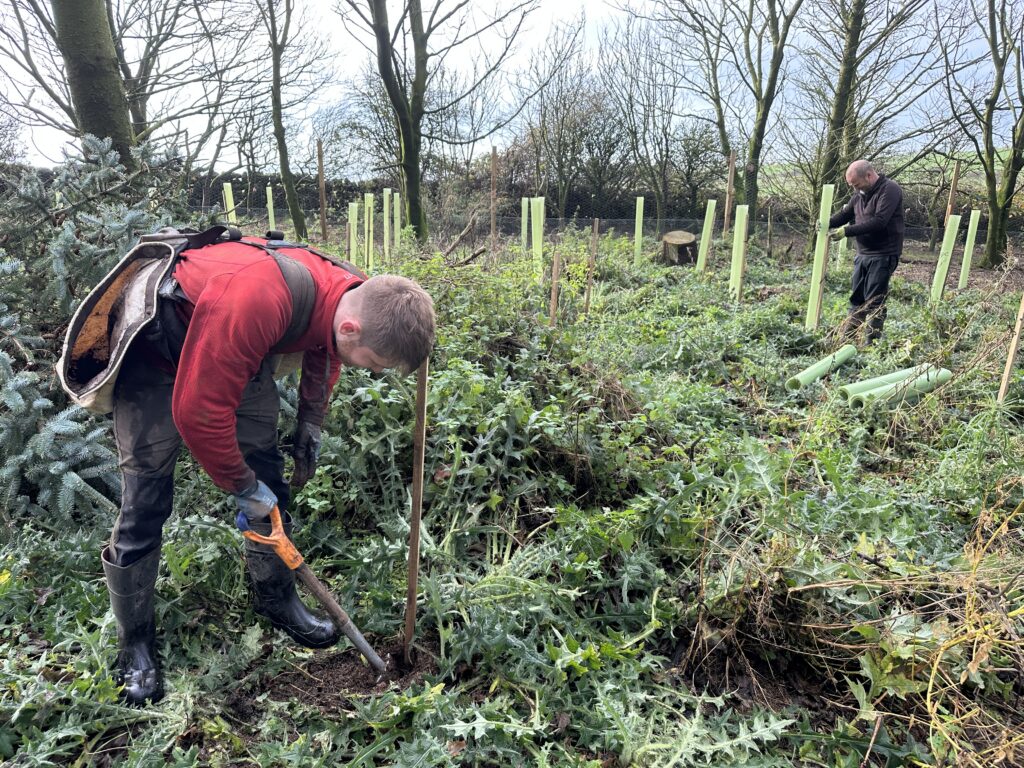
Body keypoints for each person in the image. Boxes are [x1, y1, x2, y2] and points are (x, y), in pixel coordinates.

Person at [101, 233, 435, 705]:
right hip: (156, 357)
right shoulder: (258, 298)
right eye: (375, 365)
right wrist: (240, 486)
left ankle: (276, 600)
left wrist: (310, 422)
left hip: (236, 350)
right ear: (354, 330)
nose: (373, 373)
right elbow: (198, 414)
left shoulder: (348, 293)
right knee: (145, 501)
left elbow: (325, 346)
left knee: (270, 479)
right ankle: (134, 643)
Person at [828, 160, 904, 343]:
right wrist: (825, 221)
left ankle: (872, 344)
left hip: (883, 254)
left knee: (874, 301)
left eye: (856, 183)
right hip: (863, 254)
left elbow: (879, 221)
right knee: (857, 298)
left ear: (869, 175)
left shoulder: (890, 190)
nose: (855, 188)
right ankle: (848, 339)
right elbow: (844, 215)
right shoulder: (859, 194)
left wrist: (847, 231)